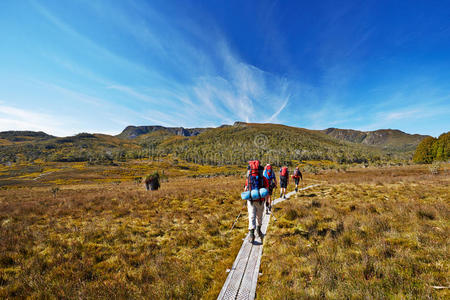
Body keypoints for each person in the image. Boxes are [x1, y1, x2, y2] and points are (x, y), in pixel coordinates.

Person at [244, 160, 268, 243]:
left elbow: (246, 188)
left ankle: (251, 234)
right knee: (259, 217)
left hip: (250, 200)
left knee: (251, 216)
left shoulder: (249, 178)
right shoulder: (264, 179)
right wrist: (267, 202)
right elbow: (267, 191)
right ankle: (258, 230)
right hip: (260, 201)